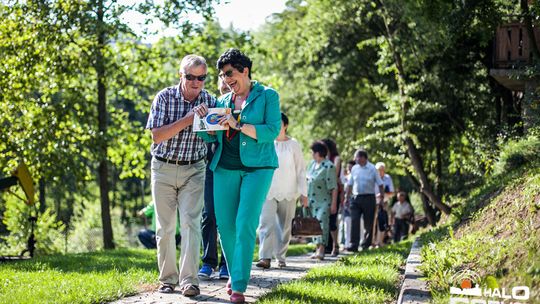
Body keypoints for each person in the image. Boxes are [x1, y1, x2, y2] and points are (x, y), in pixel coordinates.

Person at [197, 48, 281, 304]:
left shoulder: (267, 96)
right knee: (225, 226)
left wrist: (240, 125)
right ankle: (235, 272)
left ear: (245, 70)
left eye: (230, 73)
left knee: (245, 223)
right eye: (223, 75)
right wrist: (203, 123)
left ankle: (240, 287)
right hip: (224, 168)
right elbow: (211, 137)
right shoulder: (222, 102)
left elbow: (272, 131)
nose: (226, 79)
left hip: (258, 168)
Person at [146, 54, 215, 297]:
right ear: (181, 75)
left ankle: (189, 281)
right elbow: (157, 135)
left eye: (201, 77)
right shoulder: (164, 97)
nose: (196, 82)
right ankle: (167, 279)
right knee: (165, 228)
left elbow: (215, 137)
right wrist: (189, 119)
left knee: (191, 224)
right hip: (163, 167)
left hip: (194, 169)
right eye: (190, 77)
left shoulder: (210, 100)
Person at [256, 112, 307, 269]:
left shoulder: (293, 144)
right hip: (268, 190)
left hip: (289, 191)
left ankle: (281, 256)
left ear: (285, 125)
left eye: (280, 123)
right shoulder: (266, 142)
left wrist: (304, 193)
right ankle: (265, 257)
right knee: (266, 223)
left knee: (285, 227)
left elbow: (301, 170)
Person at [198, 78, 230, 280]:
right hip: (211, 166)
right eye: (222, 79)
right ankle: (208, 261)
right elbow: (203, 132)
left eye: (230, 78)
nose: (226, 83)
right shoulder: (213, 104)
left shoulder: (241, 105)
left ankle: (226, 264)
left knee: (228, 218)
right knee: (208, 214)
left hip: (232, 167)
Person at [343, 148, 384, 251]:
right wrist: (346, 197)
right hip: (356, 198)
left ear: (363, 158)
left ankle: (366, 244)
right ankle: (354, 244)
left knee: (368, 223)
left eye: (357, 158)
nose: (356, 160)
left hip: (369, 198)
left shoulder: (372, 168)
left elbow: (380, 184)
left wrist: (381, 197)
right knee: (354, 220)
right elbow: (350, 184)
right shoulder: (355, 169)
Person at [305, 140, 337, 260]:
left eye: (312, 152)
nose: (311, 154)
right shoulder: (312, 165)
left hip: (324, 200)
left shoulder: (329, 166)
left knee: (322, 224)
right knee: (314, 225)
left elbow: (334, 187)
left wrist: (333, 204)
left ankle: (322, 249)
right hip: (312, 200)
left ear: (318, 153)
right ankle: (317, 248)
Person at [321, 138, 341, 256]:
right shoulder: (322, 158)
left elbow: (334, 173)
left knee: (332, 220)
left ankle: (335, 245)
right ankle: (323, 246)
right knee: (322, 219)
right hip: (321, 192)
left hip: (333, 190)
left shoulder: (336, 159)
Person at [339, 160, 355, 250]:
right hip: (346, 204)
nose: (349, 169)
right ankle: (346, 243)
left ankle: (357, 242)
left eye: (351, 167)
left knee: (358, 224)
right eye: (348, 168)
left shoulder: (356, 177)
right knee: (346, 223)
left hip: (355, 203)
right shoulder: (345, 178)